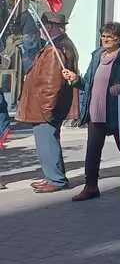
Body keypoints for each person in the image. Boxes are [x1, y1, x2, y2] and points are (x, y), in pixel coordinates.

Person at [62, 22, 120, 202]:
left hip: (117, 110)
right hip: (96, 110)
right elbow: (88, 82)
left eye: (109, 37)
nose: (104, 40)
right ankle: (91, 187)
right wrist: (75, 79)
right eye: (103, 36)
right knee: (93, 151)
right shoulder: (97, 55)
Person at [17, 12, 79, 193]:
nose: (40, 30)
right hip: (49, 106)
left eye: (43, 26)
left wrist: (46, 109)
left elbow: (51, 84)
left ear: (49, 27)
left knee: (47, 143)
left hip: (46, 108)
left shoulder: (55, 48)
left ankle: (56, 179)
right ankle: (51, 176)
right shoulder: (61, 44)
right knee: (47, 142)